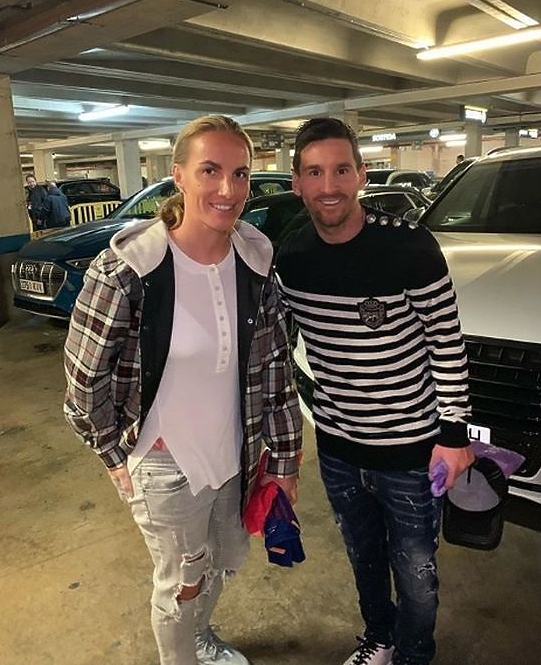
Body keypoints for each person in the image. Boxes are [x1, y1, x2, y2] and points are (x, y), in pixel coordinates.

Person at [63, 114, 303, 665]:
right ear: (178, 175)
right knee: (181, 583)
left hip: (234, 452)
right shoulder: (128, 270)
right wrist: (113, 454)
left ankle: (200, 639)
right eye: (210, 170)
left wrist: (284, 461)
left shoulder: (254, 263)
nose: (228, 190)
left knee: (220, 563)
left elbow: (275, 371)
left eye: (240, 174)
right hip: (165, 464)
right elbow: (83, 380)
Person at [276, 118, 474, 665]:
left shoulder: (409, 247)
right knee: (363, 558)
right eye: (314, 172)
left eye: (341, 170)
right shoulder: (291, 258)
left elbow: (446, 342)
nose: (329, 186)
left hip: (411, 450)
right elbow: (273, 342)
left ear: (361, 175)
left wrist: (454, 433)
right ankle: (379, 641)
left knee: (416, 573)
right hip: (338, 449)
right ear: (297, 183)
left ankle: (413, 655)